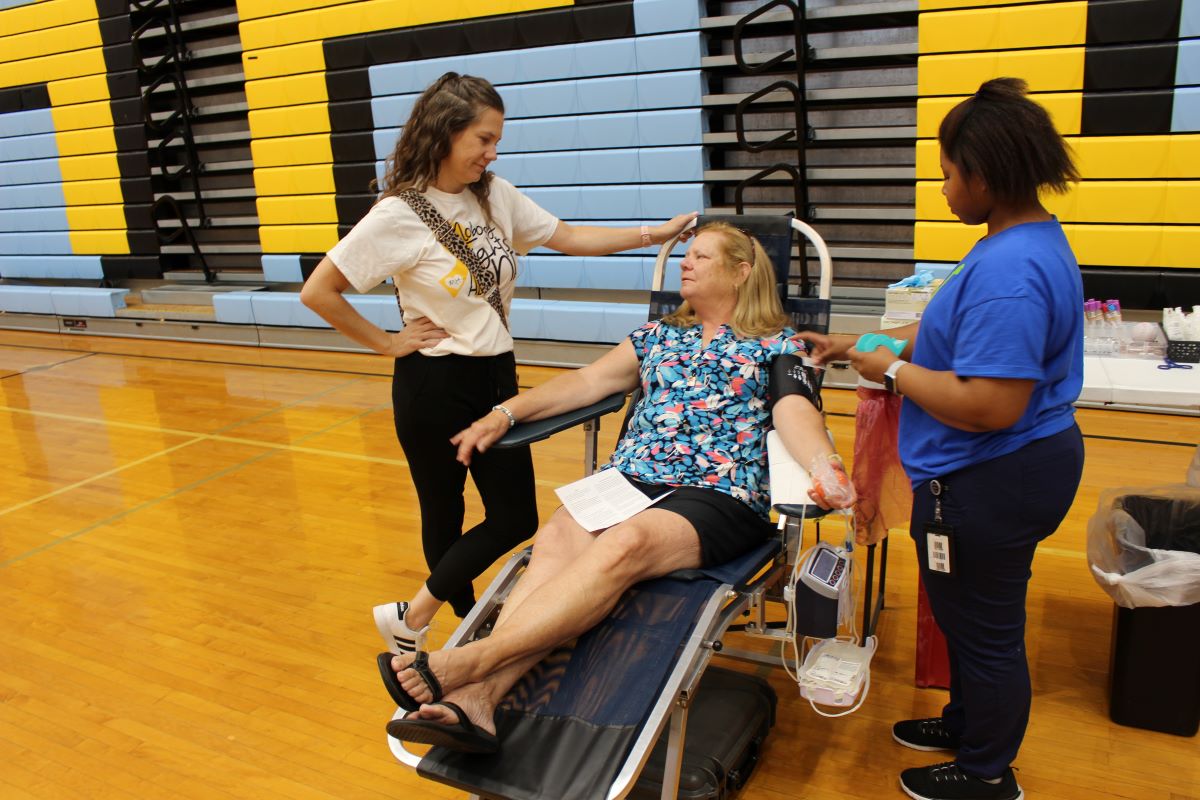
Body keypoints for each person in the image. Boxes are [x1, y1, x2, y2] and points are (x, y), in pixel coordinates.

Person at [378, 222, 857, 752]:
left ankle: (471, 660)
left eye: (701, 256)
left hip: (718, 492)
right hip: (629, 478)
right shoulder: (658, 335)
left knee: (625, 543)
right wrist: (505, 413)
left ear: (741, 272)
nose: (686, 262)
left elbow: (795, 411)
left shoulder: (779, 344)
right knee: (556, 540)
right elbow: (588, 382)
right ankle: (477, 700)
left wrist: (825, 465)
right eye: (687, 255)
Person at [300, 72, 697, 657]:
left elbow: (569, 237)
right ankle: (451, 627)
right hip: (433, 383)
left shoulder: (494, 195)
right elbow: (319, 291)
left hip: (496, 377)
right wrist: (388, 343)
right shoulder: (397, 215)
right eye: (483, 139)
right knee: (443, 509)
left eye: (496, 141)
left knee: (514, 516)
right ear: (445, 133)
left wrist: (651, 233)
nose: (491, 153)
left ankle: (412, 615)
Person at [801, 78, 1085, 800]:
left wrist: (892, 372)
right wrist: (853, 344)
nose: (945, 187)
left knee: (987, 631)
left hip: (993, 476)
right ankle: (967, 723)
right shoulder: (1017, 243)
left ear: (985, 175)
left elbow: (989, 404)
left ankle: (987, 771)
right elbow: (945, 331)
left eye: (950, 173)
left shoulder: (1011, 271)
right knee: (965, 616)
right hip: (998, 471)